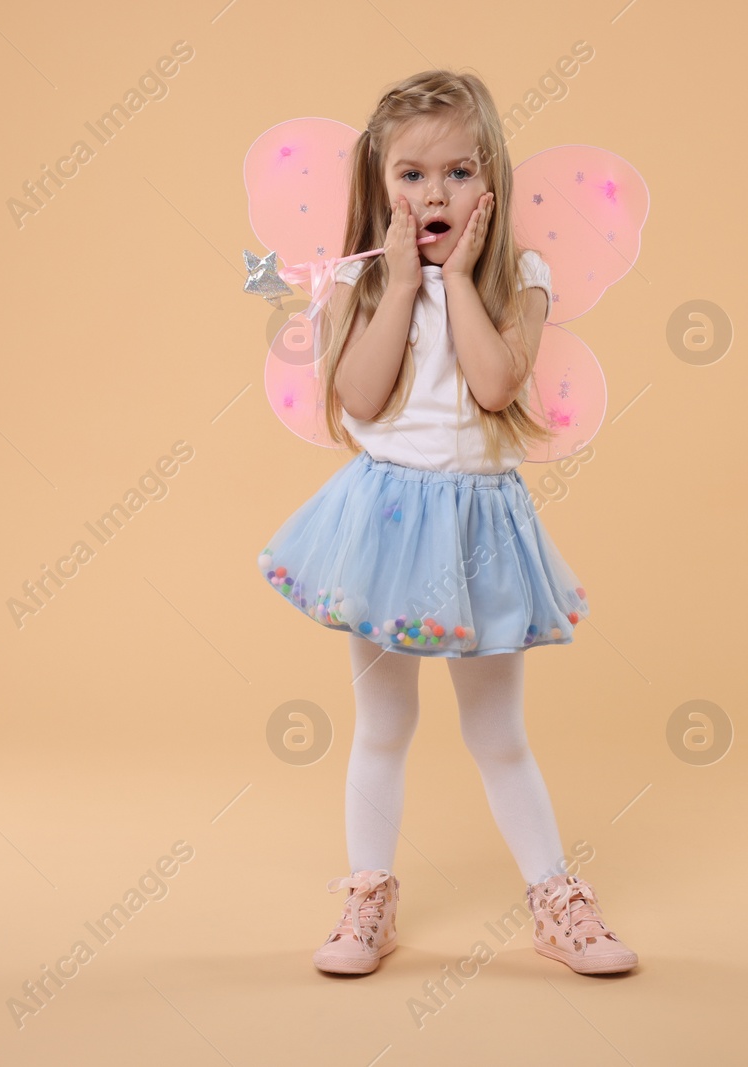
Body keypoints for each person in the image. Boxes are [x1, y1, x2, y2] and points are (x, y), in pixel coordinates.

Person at [256, 70, 637, 976]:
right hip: (387, 521)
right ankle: (368, 896)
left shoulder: (520, 281)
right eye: (412, 176)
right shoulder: (365, 282)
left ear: (491, 183)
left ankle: (555, 899)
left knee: (497, 730)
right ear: (378, 189)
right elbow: (357, 394)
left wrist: (459, 278)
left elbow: (497, 383)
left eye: (459, 173)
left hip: (479, 527)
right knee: (383, 725)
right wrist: (399, 285)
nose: (434, 194)